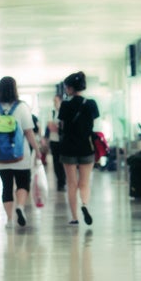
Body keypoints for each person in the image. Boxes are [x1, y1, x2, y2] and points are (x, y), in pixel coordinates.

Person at [0, 76, 42, 228]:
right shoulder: (22, 108)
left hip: (1, 156)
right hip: (21, 155)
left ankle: (9, 220)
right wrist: (37, 149)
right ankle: (20, 207)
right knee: (22, 183)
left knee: (6, 186)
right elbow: (29, 132)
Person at [58, 71, 99, 226]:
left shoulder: (65, 105)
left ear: (69, 88)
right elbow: (94, 124)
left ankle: (74, 217)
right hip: (86, 147)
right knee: (84, 183)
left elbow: (61, 126)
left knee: (72, 183)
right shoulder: (91, 104)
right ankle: (85, 205)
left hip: (68, 147)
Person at [45, 94, 66, 191]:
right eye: (54, 101)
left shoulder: (66, 111)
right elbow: (51, 126)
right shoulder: (51, 112)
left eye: (56, 101)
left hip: (64, 141)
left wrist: (58, 126)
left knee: (65, 162)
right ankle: (60, 182)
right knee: (56, 162)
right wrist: (59, 126)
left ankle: (64, 181)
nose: (54, 103)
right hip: (54, 141)